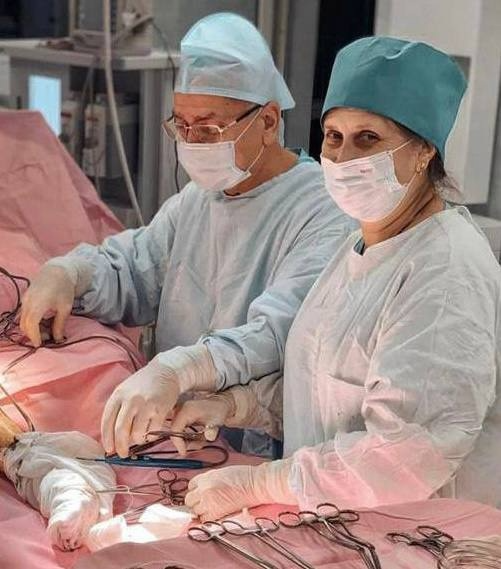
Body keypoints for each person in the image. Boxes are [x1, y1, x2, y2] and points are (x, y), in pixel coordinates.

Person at [172, 36, 501, 521]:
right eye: (333, 136)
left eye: (368, 138)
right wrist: (239, 405)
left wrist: (259, 482)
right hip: (340, 520)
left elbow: (405, 454)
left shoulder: (446, 270)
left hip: (420, 533)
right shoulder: (361, 246)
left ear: (424, 151)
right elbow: (326, 389)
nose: (344, 157)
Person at [19, 13, 352, 458]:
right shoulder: (198, 200)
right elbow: (134, 269)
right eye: (182, 125)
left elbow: (278, 334)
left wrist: (180, 369)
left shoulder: (324, 212)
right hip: (175, 439)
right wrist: (70, 273)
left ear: (269, 121)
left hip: (258, 452)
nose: (192, 142)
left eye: (210, 129)